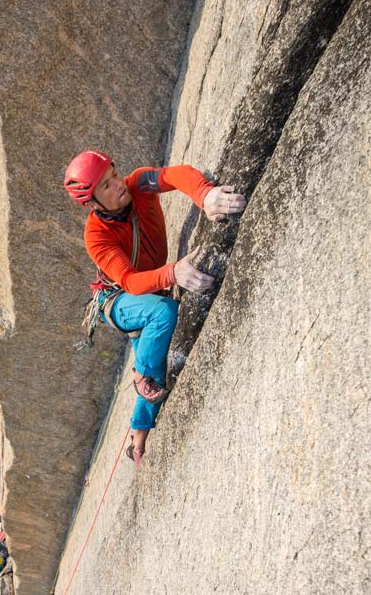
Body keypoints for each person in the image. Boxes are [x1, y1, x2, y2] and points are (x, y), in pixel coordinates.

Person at [64, 150, 246, 465]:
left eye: (114, 175)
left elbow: (175, 174)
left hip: (149, 291)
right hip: (119, 303)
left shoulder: (137, 184)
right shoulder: (96, 236)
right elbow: (131, 281)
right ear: (92, 205)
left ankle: (138, 437)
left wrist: (205, 195)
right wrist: (174, 272)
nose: (118, 185)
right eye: (106, 187)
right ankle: (141, 376)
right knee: (163, 315)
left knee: (156, 369)